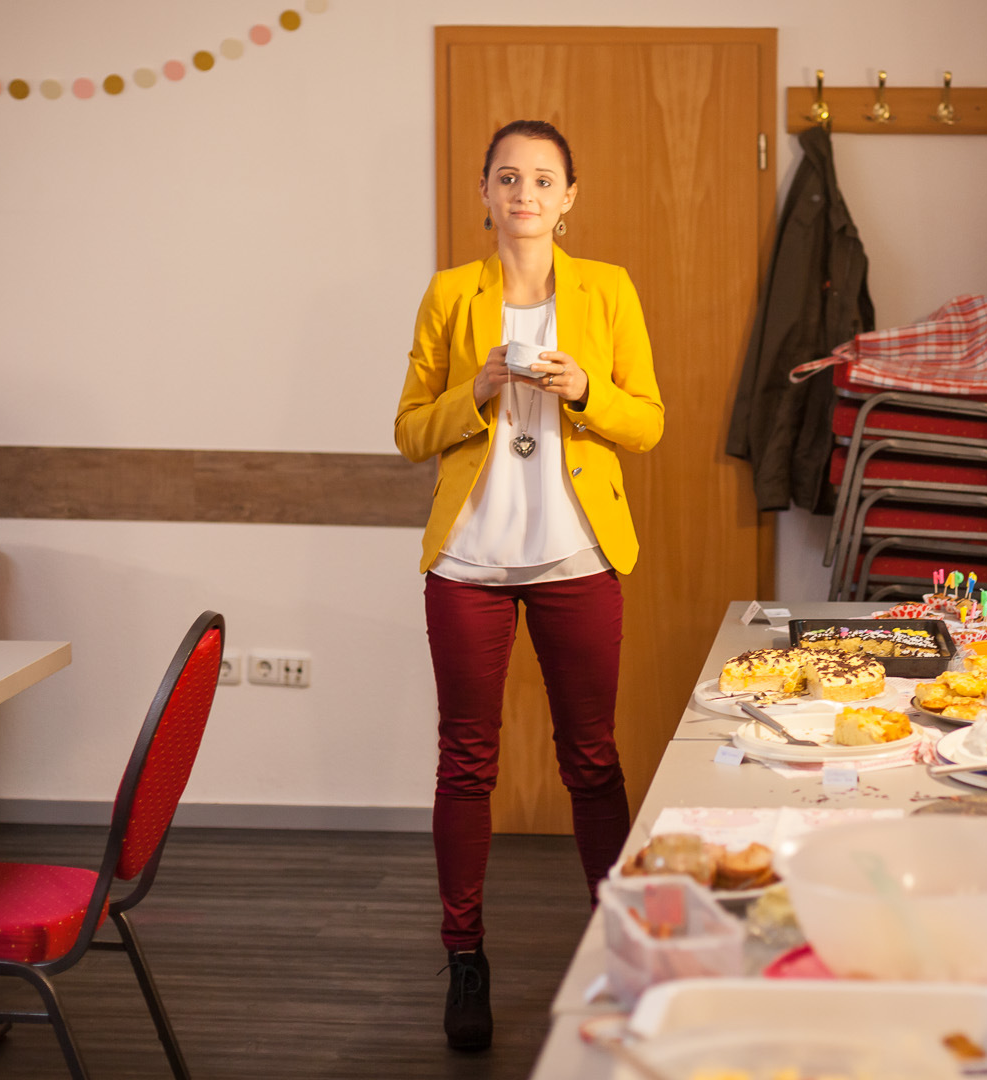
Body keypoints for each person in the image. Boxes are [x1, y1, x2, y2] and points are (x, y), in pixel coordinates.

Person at [392, 119, 663, 1052]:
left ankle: (615, 948)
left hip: (577, 556)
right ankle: (465, 956)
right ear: (485, 193)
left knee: (592, 760)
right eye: (508, 178)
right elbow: (409, 431)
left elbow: (648, 423)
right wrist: (471, 394)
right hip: (467, 563)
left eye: (544, 180)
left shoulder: (608, 289)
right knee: (466, 762)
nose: (525, 195)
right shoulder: (449, 294)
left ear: (569, 196)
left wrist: (586, 389)